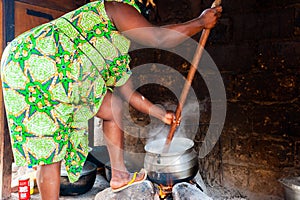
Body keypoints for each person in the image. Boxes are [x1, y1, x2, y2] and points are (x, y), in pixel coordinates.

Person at [0, 0, 222, 199]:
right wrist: (200, 22)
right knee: (52, 151)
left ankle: (119, 176)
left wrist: (160, 113)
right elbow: (159, 37)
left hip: (26, 63)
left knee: (111, 108)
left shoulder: (116, 51)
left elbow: (129, 95)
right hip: (41, 57)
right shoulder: (116, 7)